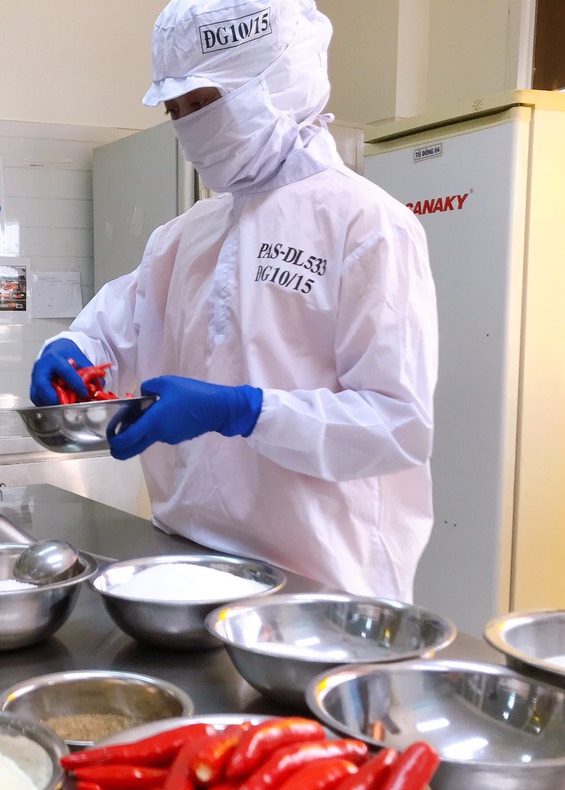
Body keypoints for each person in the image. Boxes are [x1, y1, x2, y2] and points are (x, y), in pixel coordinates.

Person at [28, 0, 438, 600]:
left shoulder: (367, 224)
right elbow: (112, 332)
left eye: (204, 102)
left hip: (318, 588)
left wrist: (243, 410)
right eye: (175, 110)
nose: (189, 126)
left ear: (277, 79)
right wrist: (71, 348)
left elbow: (395, 426)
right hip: (186, 566)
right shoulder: (185, 235)